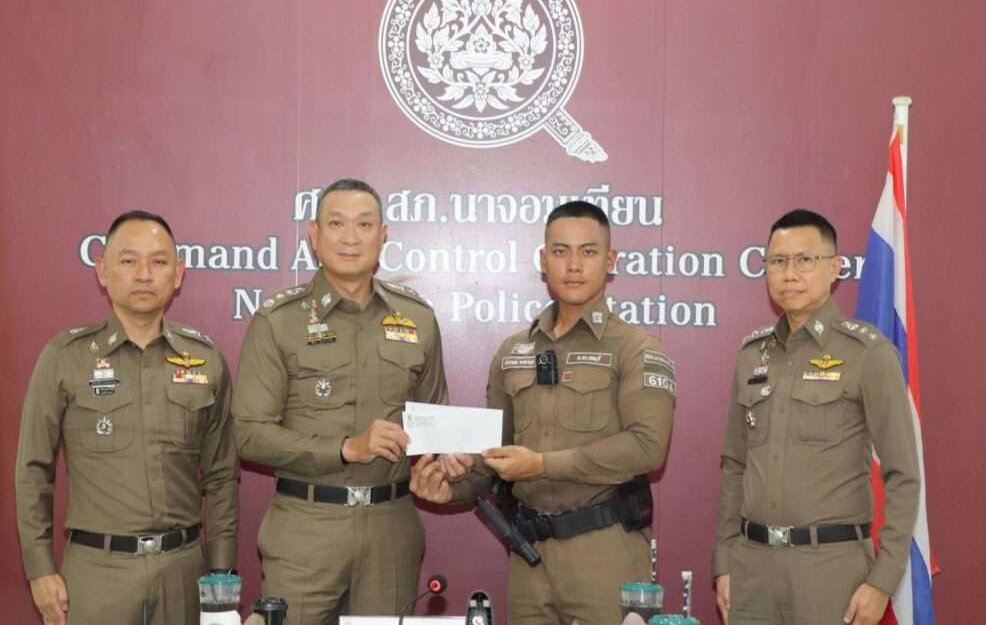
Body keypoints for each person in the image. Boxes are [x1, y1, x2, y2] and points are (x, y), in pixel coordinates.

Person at [411, 200, 677, 624]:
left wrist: (540, 465)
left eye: (588, 252)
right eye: (560, 251)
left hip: (605, 552)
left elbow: (647, 448)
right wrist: (452, 488)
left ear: (610, 261)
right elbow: (494, 454)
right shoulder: (513, 351)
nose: (574, 265)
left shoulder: (636, 349)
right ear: (542, 260)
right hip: (529, 556)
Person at [232, 178, 448, 624]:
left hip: (391, 530)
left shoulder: (418, 318)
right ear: (314, 235)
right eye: (336, 224)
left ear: (383, 235)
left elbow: (435, 424)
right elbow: (248, 435)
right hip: (306, 528)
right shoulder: (278, 321)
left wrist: (449, 460)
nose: (351, 237)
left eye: (364, 225)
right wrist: (345, 449)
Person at [15, 210, 239, 625]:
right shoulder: (65, 358)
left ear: (178, 274)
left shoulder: (205, 360)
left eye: (158, 261)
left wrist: (221, 573)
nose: (144, 274)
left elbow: (223, 476)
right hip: (97, 574)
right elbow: (33, 470)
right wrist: (39, 569)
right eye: (129, 260)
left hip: (183, 572)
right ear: (102, 270)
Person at [712, 209, 921, 625]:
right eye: (778, 261)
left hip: (831, 571)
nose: (790, 273)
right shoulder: (751, 355)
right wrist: (725, 561)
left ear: (835, 268)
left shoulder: (867, 354)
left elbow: (904, 474)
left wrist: (882, 580)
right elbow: (735, 465)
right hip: (752, 569)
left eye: (805, 260)